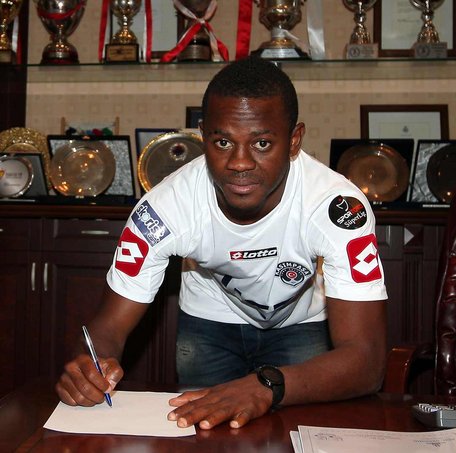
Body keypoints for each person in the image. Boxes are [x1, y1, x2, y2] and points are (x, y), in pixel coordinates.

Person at [55, 56, 388, 430]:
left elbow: (367, 361)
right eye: (223, 142)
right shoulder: (165, 208)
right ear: (203, 136)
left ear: (294, 141)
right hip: (209, 320)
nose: (239, 163)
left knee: (297, 436)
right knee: (201, 433)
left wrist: (266, 386)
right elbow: (107, 328)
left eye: (262, 143)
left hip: (300, 322)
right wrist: (87, 368)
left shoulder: (337, 208)